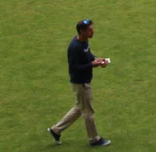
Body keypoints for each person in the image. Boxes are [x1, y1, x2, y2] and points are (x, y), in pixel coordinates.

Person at [47, 19, 112, 147]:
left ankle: (56, 130)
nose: (92, 31)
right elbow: (74, 67)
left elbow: (87, 55)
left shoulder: (84, 41)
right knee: (88, 112)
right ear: (82, 31)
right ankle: (94, 139)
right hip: (81, 83)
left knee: (80, 107)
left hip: (83, 81)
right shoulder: (75, 47)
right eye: (90, 30)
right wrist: (91, 65)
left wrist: (96, 60)